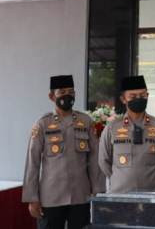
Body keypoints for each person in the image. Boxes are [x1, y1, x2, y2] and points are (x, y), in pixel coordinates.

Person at [22, 75, 105, 229]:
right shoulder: (43, 124)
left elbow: (95, 159)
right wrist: (32, 198)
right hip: (51, 197)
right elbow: (32, 162)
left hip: (81, 195)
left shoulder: (85, 121)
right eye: (62, 92)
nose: (68, 95)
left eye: (71, 92)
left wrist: (98, 191)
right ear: (52, 96)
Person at [99, 75, 155, 193]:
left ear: (148, 96)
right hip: (120, 194)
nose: (138, 99)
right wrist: (120, 178)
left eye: (142, 95)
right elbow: (104, 160)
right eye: (133, 96)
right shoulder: (112, 128)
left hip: (152, 193)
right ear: (123, 99)